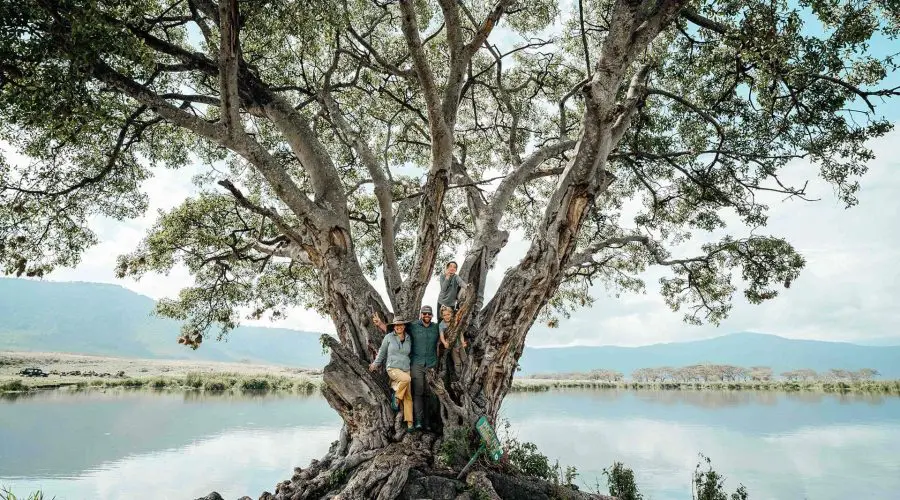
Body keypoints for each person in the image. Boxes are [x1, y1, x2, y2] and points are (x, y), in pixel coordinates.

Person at [369, 315, 414, 432]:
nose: (399, 327)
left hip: (406, 367)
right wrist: (375, 364)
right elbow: (382, 352)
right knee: (407, 379)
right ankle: (397, 397)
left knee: (408, 396)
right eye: (396, 325)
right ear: (394, 327)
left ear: (404, 326)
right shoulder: (388, 337)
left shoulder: (408, 338)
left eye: (401, 324)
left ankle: (409, 422)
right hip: (393, 368)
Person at [439, 305, 467, 377]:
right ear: (442, 316)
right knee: (457, 362)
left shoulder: (454, 321)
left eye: (448, 314)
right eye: (444, 315)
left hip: (460, 344)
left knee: (465, 360)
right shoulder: (442, 325)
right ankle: (459, 376)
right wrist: (444, 343)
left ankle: (467, 374)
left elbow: (460, 332)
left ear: (451, 314)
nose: (447, 316)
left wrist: (462, 341)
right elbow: (441, 336)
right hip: (452, 345)